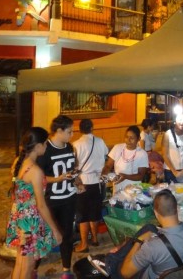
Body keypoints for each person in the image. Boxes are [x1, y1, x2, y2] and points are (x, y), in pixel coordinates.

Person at [90, 189, 183, 278]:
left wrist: (138, 241)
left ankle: (111, 264)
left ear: (156, 213)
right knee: (150, 227)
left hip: (153, 274)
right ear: (177, 209)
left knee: (121, 267)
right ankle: (113, 259)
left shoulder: (151, 246)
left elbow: (125, 274)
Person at [6, 127, 63, 279]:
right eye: (45, 144)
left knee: (21, 262)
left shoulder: (20, 161)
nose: (46, 146)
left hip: (20, 216)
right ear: (38, 146)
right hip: (29, 222)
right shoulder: (35, 170)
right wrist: (55, 229)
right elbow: (41, 205)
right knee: (28, 265)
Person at [36, 115, 78, 275]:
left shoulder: (69, 147)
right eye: (69, 131)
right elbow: (38, 177)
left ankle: (66, 270)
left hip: (69, 198)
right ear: (59, 131)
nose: (72, 135)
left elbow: (72, 169)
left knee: (67, 235)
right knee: (44, 236)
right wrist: (58, 179)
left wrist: (77, 182)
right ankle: (33, 268)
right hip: (51, 201)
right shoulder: (45, 149)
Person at [72, 119, 108, 253]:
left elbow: (74, 165)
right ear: (92, 127)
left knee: (83, 215)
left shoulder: (75, 145)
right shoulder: (100, 141)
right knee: (95, 212)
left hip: (83, 183)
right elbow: (105, 157)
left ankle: (84, 244)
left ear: (79, 129)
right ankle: (95, 238)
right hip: (97, 182)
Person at [102, 125, 149, 194]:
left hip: (134, 190)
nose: (128, 140)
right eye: (127, 137)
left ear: (139, 138)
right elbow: (108, 166)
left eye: (132, 138)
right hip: (118, 187)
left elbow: (140, 175)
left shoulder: (142, 154)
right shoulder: (117, 148)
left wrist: (126, 176)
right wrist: (104, 176)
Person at [161, 114, 183, 184]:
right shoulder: (168, 134)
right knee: (172, 193)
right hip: (170, 170)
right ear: (174, 122)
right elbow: (165, 155)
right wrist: (175, 172)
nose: (182, 122)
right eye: (179, 120)